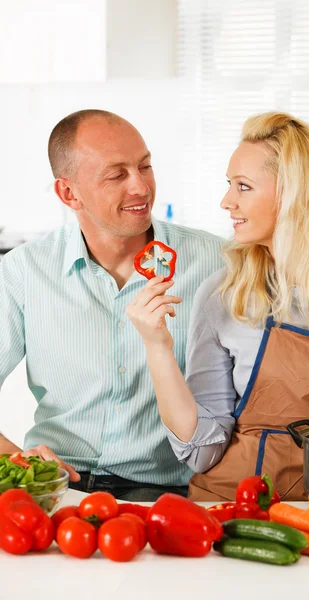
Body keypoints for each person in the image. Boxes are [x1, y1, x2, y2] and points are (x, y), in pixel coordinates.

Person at [127, 111, 309, 502]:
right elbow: (201, 451)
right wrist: (156, 346)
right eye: (229, 185)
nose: (226, 202)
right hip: (237, 505)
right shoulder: (224, 293)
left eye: (243, 187)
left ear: (294, 195)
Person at [0, 109, 224, 501]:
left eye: (145, 166)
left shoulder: (216, 262)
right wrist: (23, 462)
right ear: (69, 193)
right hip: (58, 489)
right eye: (117, 175)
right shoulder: (24, 271)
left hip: (171, 496)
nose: (141, 187)